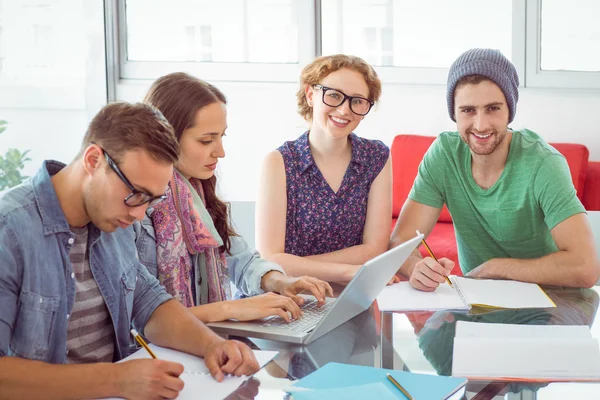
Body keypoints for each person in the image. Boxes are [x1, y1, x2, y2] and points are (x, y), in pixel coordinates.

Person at [0, 102, 259, 399]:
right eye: (136, 195)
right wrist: (115, 379)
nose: (139, 215)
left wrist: (212, 344)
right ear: (94, 159)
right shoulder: (9, 229)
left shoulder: (115, 223)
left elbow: (150, 303)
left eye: (152, 200)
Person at [390, 48, 600, 292]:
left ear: (509, 110)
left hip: (551, 298)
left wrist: (498, 268)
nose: (480, 125)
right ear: (454, 114)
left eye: (493, 108)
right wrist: (416, 265)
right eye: (468, 110)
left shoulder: (544, 163)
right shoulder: (444, 154)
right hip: (478, 301)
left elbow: (585, 268)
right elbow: (400, 242)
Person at [137, 72, 333, 325]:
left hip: (204, 340)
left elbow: (240, 258)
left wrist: (281, 282)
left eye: (221, 137)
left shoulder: (196, 192)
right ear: (165, 137)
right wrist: (231, 308)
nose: (221, 152)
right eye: (207, 140)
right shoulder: (133, 212)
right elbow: (142, 318)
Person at [255, 54, 393, 283]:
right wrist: (348, 271)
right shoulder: (278, 162)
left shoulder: (376, 157)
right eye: (334, 96)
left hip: (353, 295)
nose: (344, 110)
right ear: (310, 95)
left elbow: (375, 250)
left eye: (357, 101)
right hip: (292, 297)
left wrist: (297, 264)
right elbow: (270, 259)